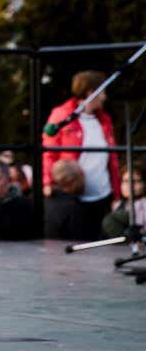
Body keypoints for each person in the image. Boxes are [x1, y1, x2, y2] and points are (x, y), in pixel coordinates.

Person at [42, 70, 120, 236]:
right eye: (103, 92)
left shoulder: (104, 120)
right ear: (92, 93)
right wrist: (48, 182)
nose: (105, 97)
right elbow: (49, 152)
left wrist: (116, 192)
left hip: (101, 194)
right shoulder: (61, 115)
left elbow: (112, 159)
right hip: (74, 193)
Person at [43, 159, 88, 240]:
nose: (84, 180)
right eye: (81, 176)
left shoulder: (44, 200)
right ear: (70, 181)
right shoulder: (74, 208)